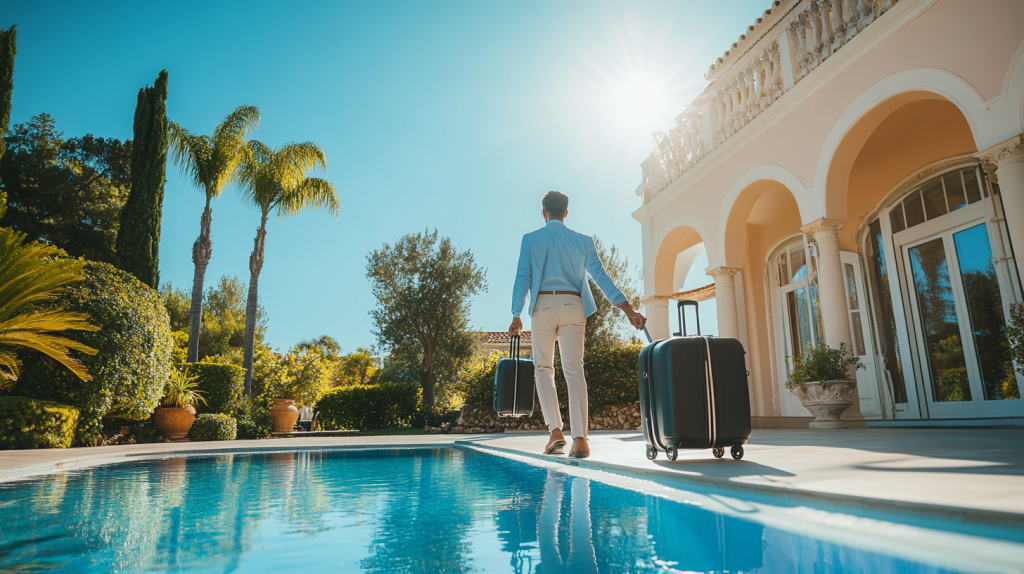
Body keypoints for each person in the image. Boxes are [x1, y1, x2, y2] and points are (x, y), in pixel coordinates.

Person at [509, 190, 646, 458]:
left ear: (543, 212)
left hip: (542, 306)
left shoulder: (530, 239)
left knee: (543, 369)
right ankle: (580, 440)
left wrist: (516, 314)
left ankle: (555, 432)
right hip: (573, 305)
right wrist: (627, 309)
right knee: (574, 370)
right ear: (566, 213)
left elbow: (522, 277)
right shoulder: (583, 241)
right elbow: (601, 277)